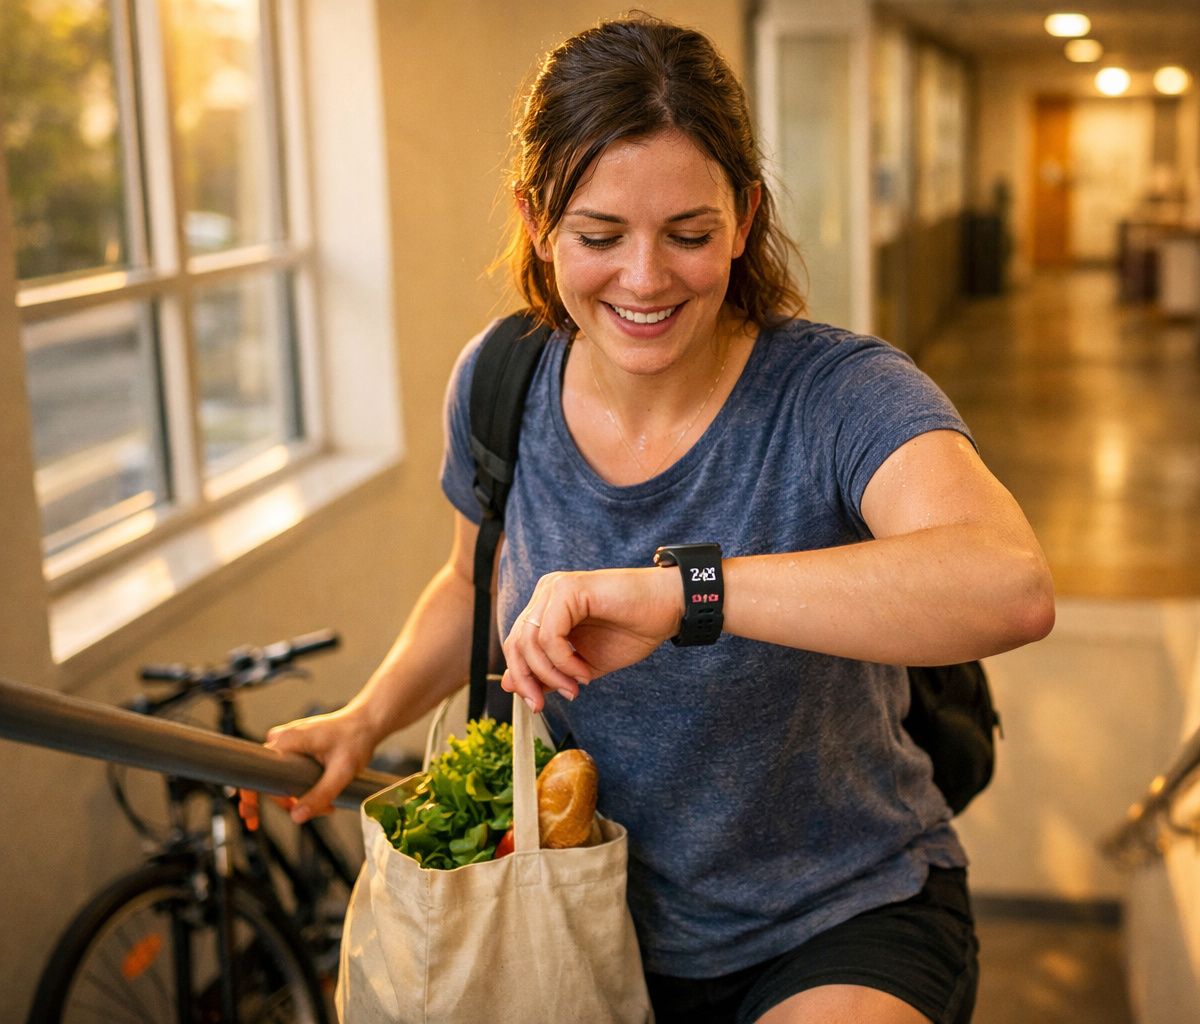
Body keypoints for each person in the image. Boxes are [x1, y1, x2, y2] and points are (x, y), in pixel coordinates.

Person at [240, 14, 1053, 1023]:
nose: (644, 278)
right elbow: (470, 584)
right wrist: (366, 720)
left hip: (841, 913)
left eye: (689, 234)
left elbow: (1010, 585)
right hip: (582, 926)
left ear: (745, 217)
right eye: (599, 236)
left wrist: (684, 594)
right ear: (537, 219)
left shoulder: (838, 394)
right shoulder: (500, 382)